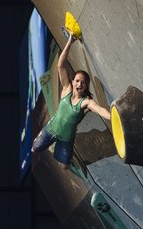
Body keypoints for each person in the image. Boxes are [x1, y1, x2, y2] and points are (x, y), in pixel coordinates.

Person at [31, 32, 111, 169]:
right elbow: (60, 65)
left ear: (86, 86)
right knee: (35, 148)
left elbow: (100, 110)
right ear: (73, 81)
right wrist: (70, 41)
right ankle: (45, 139)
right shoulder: (66, 89)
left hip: (65, 139)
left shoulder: (86, 101)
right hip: (51, 129)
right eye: (77, 81)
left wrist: (114, 117)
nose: (80, 84)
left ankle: (65, 151)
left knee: (64, 167)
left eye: (83, 83)